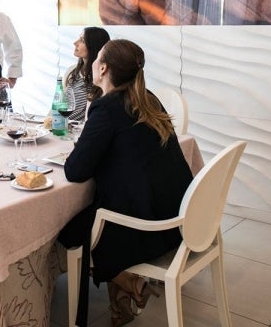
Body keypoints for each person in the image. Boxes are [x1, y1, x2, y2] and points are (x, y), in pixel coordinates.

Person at [58, 39, 194, 327]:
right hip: (177, 218)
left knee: (68, 229)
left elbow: (75, 171)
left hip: (144, 228)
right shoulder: (147, 98)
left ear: (103, 68)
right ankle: (125, 296)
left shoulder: (105, 108)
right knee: (104, 205)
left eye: (97, 59)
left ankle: (128, 282)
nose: (93, 62)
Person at [64, 27, 110, 121]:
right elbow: (60, 103)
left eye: (82, 41)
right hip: (61, 128)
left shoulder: (103, 78)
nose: (75, 43)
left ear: (94, 46)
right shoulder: (71, 72)